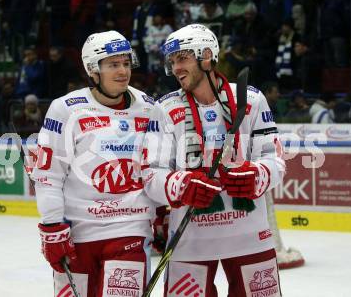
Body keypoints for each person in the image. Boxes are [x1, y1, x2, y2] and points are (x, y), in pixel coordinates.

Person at [143, 24, 285, 297]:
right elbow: (151, 174)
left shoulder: (252, 99)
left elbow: (274, 158)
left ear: (206, 56)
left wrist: (258, 175)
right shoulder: (165, 109)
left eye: (182, 59)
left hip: (250, 238)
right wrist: (179, 184)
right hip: (190, 241)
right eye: (172, 62)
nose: (175, 68)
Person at [31, 30, 156, 297]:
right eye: (113, 65)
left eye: (126, 63)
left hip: (130, 228)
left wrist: (164, 210)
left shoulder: (148, 107)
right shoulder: (66, 109)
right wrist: (52, 225)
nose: (123, 71)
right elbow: (48, 175)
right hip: (78, 233)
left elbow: (157, 167)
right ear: (92, 69)